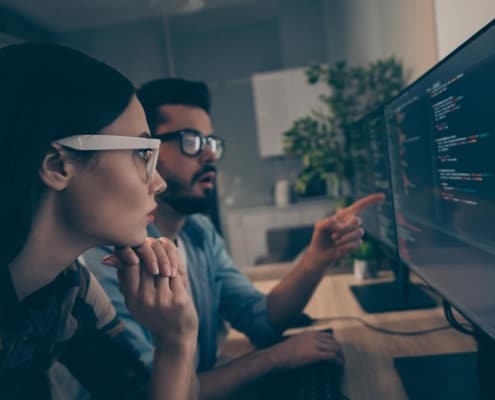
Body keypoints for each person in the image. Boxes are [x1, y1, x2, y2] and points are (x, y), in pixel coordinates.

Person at [84, 78, 384, 399]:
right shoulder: (109, 260)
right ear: (146, 151)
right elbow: (148, 394)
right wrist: (277, 357)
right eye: (191, 141)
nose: (209, 156)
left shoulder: (199, 233)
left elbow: (260, 319)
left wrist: (316, 258)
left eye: (210, 143)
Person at [0, 44, 199, 399]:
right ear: (57, 166)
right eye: (142, 154)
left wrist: (175, 340)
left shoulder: (70, 290)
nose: (159, 182)